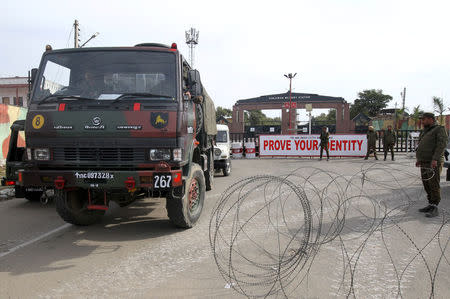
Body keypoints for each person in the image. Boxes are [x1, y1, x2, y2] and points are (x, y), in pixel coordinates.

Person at [416, 112, 448, 218]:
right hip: (424, 162)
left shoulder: (439, 129)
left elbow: (441, 145)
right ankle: (430, 204)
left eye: (424, 119)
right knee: (426, 184)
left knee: (433, 184)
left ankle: (435, 207)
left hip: (433, 162)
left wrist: (435, 159)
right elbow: (421, 145)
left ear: (430, 119)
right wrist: (419, 159)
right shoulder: (425, 130)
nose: (422, 121)